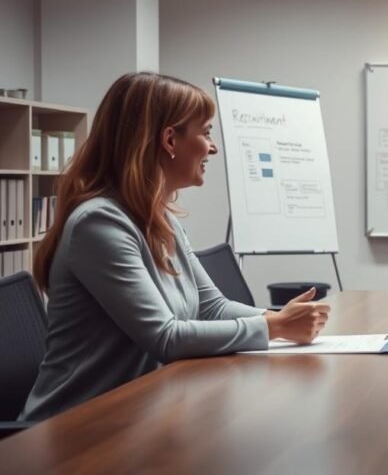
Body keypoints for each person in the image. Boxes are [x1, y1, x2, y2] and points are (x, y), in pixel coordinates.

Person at [21, 72, 330, 421]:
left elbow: (211, 307)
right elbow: (164, 337)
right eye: (206, 132)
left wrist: (279, 319)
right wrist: (276, 327)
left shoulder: (160, 218)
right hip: (76, 429)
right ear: (170, 139)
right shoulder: (99, 224)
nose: (212, 148)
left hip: (137, 412)